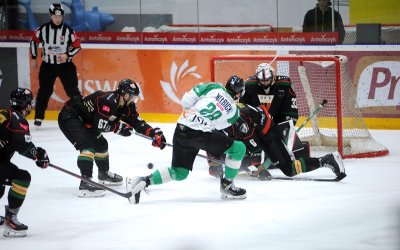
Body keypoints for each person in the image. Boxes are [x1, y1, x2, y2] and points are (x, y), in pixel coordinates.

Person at [126, 82, 247, 204]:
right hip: (200, 135)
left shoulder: (214, 87)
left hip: (182, 126)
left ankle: (141, 181)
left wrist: (192, 117)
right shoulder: (234, 111)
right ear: (238, 95)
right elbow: (220, 126)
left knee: (179, 172)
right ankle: (227, 185)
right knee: (239, 148)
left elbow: (186, 99)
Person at [217, 77, 346, 181]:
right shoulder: (228, 110)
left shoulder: (234, 114)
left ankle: (328, 159)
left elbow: (253, 145)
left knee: (289, 169)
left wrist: (255, 166)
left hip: (268, 133)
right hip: (259, 128)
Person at [57, 79, 166, 197]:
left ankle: (103, 173)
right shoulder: (108, 101)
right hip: (70, 116)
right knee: (88, 145)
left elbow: (138, 123)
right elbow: (99, 124)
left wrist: (153, 133)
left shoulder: (128, 106)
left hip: (86, 121)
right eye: (132, 97)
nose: (133, 100)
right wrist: (118, 127)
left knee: (101, 144)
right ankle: (86, 183)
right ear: (125, 94)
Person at [0, 88, 50, 237]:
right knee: (22, 178)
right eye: (30, 103)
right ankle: (11, 220)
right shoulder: (17, 119)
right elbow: (21, 144)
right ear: (25, 104)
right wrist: (38, 156)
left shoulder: (5, 114)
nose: (31, 106)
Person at [30, 3, 82, 127]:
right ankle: (38, 117)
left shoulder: (68, 30)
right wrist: (33, 58)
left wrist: (67, 55)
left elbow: (77, 46)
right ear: (50, 15)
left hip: (65, 66)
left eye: (60, 16)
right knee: (44, 91)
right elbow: (33, 42)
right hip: (48, 66)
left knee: (73, 91)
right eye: (55, 16)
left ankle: (82, 114)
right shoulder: (43, 29)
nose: (58, 19)